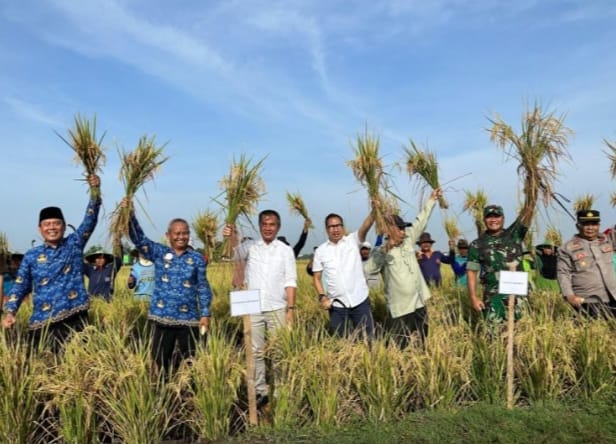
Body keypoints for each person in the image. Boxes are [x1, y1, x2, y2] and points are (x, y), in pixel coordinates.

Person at [1, 175, 102, 353]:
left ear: (64, 227)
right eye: (47, 224)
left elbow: (90, 220)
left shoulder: (74, 243)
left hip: (75, 318)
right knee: (45, 369)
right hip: (43, 323)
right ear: (40, 229)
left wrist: (95, 193)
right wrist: (10, 312)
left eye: (56, 223)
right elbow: (20, 286)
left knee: (80, 367)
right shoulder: (32, 256)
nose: (52, 227)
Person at [127, 200, 212, 374]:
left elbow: (203, 286)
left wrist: (205, 313)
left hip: (188, 318)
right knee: (160, 359)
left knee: (191, 360)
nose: (181, 237)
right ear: (168, 235)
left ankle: (188, 394)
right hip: (161, 317)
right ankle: (162, 392)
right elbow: (139, 239)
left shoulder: (196, 258)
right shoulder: (159, 253)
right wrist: (129, 215)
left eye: (185, 233)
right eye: (177, 233)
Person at [224, 209, 297, 409]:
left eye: (272, 224)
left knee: (279, 350)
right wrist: (231, 235)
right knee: (255, 351)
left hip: (277, 307)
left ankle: (282, 390)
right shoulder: (250, 246)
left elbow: (290, 280)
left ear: (278, 227)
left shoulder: (285, 250)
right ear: (259, 226)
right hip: (253, 306)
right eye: (264, 224)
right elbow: (235, 253)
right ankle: (260, 390)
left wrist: (291, 309)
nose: (268, 228)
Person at [365, 189, 442, 348]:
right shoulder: (381, 251)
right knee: (401, 342)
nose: (403, 231)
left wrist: (432, 199)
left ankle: (422, 358)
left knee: (422, 337)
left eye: (403, 228)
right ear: (389, 230)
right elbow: (368, 270)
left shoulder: (408, 241)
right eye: (400, 228)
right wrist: (386, 249)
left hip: (418, 302)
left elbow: (421, 220)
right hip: (400, 308)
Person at [467, 201, 535, 322]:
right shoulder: (477, 244)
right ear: (484, 220)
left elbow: (528, 211)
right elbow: (472, 271)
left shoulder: (514, 234)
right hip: (494, 298)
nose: (493, 220)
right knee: (494, 336)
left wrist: (532, 187)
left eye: (496, 216)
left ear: (503, 218)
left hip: (519, 296)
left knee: (522, 331)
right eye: (489, 217)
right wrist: (473, 297)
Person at [312, 211, 375, 339]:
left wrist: (374, 211)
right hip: (337, 306)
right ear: (326, 229)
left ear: (343, 227)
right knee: (341, 342)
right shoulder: (321, 251)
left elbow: (365, 227)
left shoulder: (352, 240)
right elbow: (316, 278)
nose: (335, 229)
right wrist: (322, 297)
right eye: (331, 226)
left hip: (360, 302)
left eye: (338, 225)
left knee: (367, 340)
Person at [557, 210, 616, 318]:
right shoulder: (567, 248)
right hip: (588, 300)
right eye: (585, 224)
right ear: (578, 226)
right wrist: (569, 296)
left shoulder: (608, 240)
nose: (590, 228)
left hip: (613, 296)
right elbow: (563, 273)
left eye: (593, 224)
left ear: (598, 225)